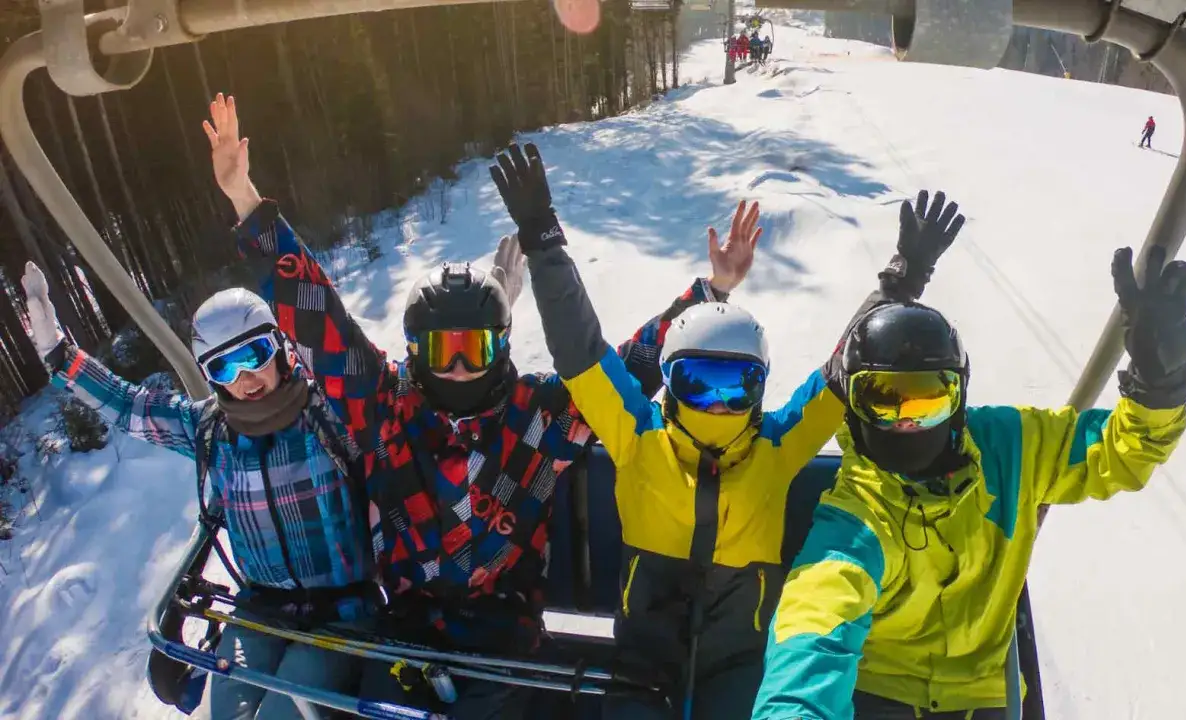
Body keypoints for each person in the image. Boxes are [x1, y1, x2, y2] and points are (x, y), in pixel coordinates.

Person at [201, 93, 753, 717]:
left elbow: (626, 373)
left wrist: (710, 291)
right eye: (444, 349)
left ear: (502, 345)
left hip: (505, 644)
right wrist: (246, 199)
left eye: (477, 348)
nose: (460, 366)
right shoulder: (385, 408)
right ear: (416, 350)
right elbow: (316, 320)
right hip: (406, 641)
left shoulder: (536, 413)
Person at [490, 143, 967, 719]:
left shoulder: (778, 446)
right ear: (669, 380)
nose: (718, 406)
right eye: (699, 384)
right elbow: (580, 348)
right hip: (643, 667)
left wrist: (904, 278)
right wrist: (542, 238)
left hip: (740, 669)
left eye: (736, 386)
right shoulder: (637, 436)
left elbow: (846, 365)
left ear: (760, 385)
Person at [751, 245, 1186, 719]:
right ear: (852, 404)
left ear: (959, 396)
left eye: (928, 400)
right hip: (880, 692)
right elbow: (815, 622)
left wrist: (1157, 389)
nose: (907, 423)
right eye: (883, 401)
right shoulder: (857, 517)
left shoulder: (1012, 448)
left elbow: (1120, 451)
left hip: (986, 694)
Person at [20, 265, 374, 720]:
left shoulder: (328, 416)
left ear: (280, 347)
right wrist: (59, 354)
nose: (245, 377)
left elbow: (389, 401)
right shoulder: (211, 430)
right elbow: (130, 406)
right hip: (261, 609)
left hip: (341, 613)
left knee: (285, 712)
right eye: (224, 367)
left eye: (255, 354)